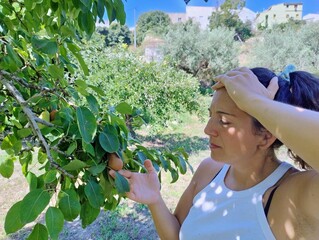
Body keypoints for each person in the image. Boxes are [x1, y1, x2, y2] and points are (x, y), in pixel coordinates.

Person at [110, 67, 319, 239]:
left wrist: (256, 103)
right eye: (210, 115)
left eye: (225, 121)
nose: (208, 129)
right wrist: (154, 200)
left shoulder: (295, 194)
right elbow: (176, 236)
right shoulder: (209, 171)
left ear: (266, 136)